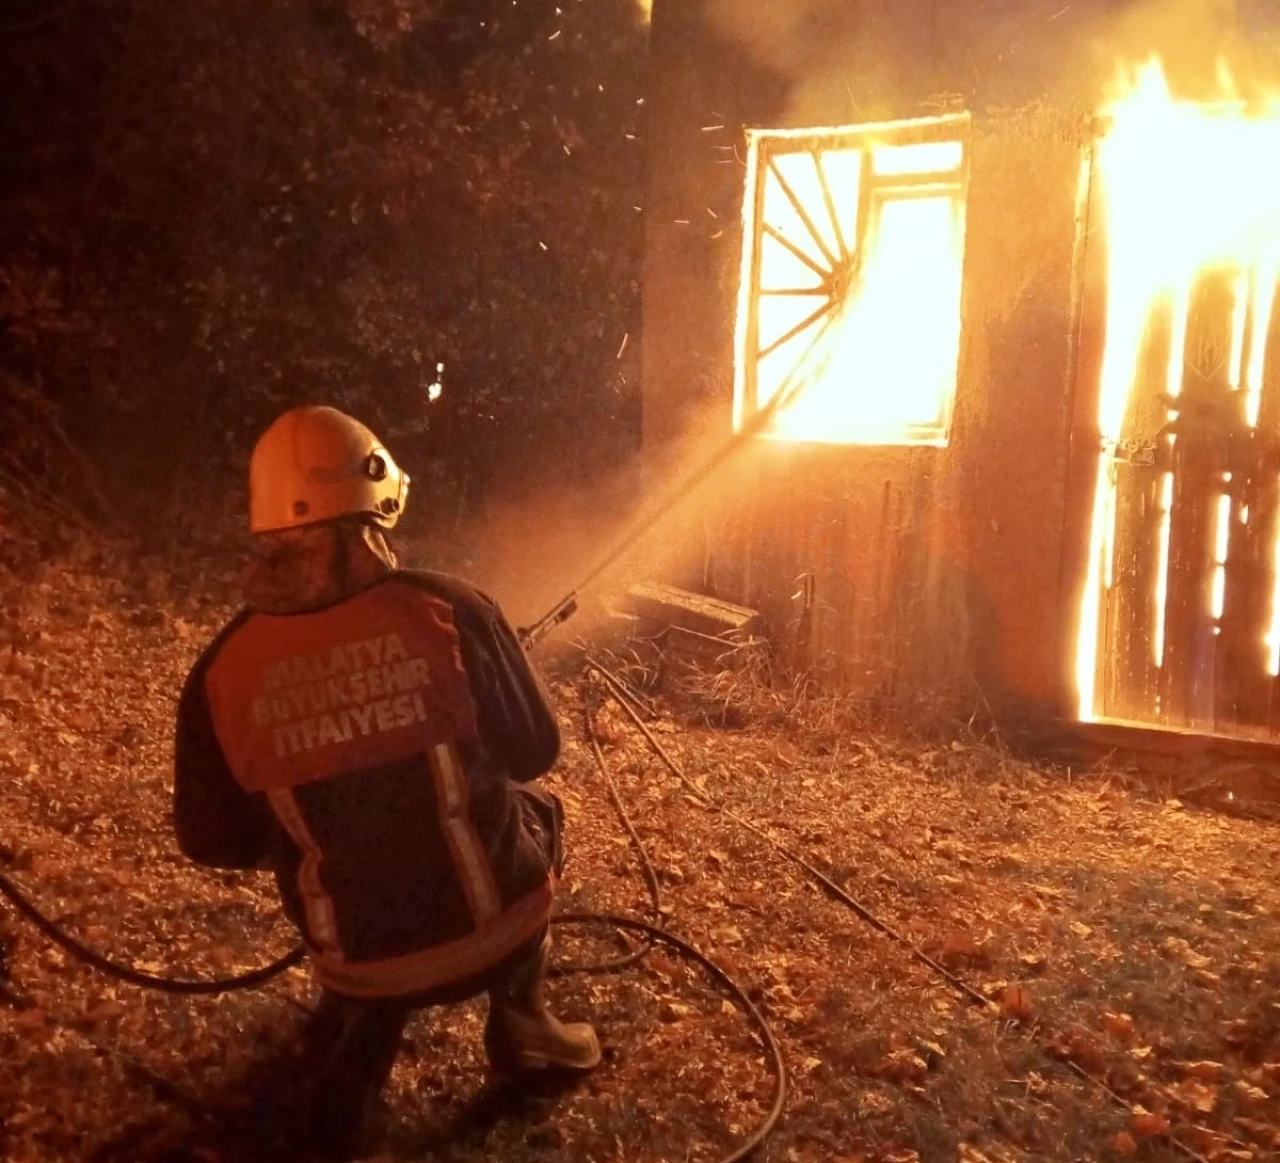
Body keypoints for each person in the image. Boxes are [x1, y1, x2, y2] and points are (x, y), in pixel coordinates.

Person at [172, 405, 599, 1160]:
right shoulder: (452, 608)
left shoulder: (222, 670)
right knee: (540, 810)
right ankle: (525, 1017)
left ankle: (357, 1074)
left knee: (364, 894)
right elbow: (535, 751)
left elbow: (211, 838)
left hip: (355, 960)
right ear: (378, 509)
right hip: (495, 931)